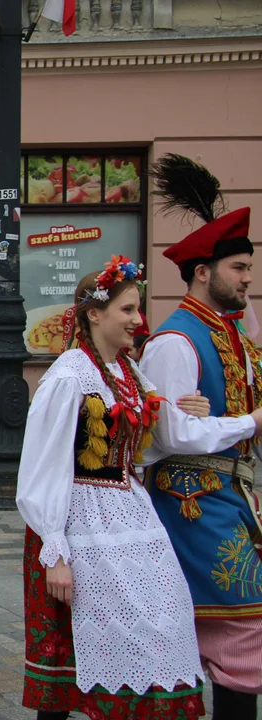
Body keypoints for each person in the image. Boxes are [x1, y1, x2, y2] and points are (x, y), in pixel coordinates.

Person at [17, 256, 262, 720]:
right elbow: (41, 467)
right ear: (95, 314)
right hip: (79, 522)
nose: (138, 320)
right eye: (128, 310)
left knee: (154, 632)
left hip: (131, 515)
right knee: (69, 655)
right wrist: (57, 551)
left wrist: (211, 416)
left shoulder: (131, 375)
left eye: (138, 309)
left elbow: (163, 441)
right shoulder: (71, 374)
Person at [140, 155, 262, 719]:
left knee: (241, 626)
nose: (246, 280)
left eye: (248, 269)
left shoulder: (232, 333)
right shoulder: (176, 341)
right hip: (192, 498)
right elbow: (176, 433)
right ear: (202, 272)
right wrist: (250, 423)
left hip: (233, 495)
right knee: (241, 621)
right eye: (238, 268)